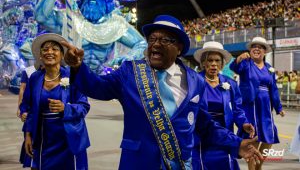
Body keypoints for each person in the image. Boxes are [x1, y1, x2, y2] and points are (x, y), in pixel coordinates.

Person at [62, 15, 262, 169]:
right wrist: (78, 67)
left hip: (179, 163)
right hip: (138, 163)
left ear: (179, 48)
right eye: (152, 39)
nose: (156, 44)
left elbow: (205, 125)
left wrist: (237, 144)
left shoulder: (195, 81)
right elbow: (97, 87)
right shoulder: (130, 72)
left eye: (165, 40)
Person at [35, 0, 147, 74]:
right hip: (71, 77)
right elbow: (41, 17)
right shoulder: (70, 18)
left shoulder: (115, 24)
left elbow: (141, 44)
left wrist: (129, 58)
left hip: (101, 79)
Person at [20, 33, 90, 170]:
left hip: (69, 137)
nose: (49, 52)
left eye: (54, 49)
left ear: (62, 55)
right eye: (45, 49)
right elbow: (28, 107)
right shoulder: (35, 78)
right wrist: (28, 135)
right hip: (42, 138)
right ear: (40, 56)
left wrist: (66, 108)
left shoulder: (72, 76)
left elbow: (84, 106)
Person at [192, 41, 255, 170]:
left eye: (217, 61)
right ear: (203, 63)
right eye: (210, 60)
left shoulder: (230, 83)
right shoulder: (194, 81)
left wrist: (244, 123)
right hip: (201, 134)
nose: (214, 64)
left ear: (222, 64)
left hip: (225, 134)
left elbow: (237, 110)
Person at [230, 36, 285, 170]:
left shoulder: (269, 68)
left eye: (260, 47)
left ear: (265, 51)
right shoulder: (246, 63)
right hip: (250, 106)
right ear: (250, 49)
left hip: (265, 108)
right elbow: (234, 67)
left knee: (268, 138)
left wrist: (278, 107)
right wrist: (238, 58)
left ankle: (258, 166)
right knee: (253, 139)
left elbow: (274, 89)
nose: (256, 49)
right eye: (254, 46)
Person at [17, 65, 37, 169]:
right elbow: (22, 89)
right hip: (31, 112)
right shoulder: (29, 71)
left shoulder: (65, 72)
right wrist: (20, 109)